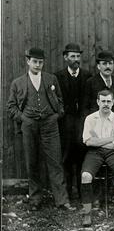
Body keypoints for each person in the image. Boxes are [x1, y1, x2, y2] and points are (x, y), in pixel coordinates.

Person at [7, 46, 75, 211]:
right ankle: (35, 199)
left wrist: (56, 115)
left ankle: (62, 200)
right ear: (28, 61)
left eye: (40, 62)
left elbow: (60, 101)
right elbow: (11, 107)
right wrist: (23, 119)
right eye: (35, 62)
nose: (38, 65)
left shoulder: (51, 79)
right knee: (32, 162)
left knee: (55, 162)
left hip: (50, 125)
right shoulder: (18, 83)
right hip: (29, 126)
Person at [80, 89, 114, 226]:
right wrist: (110, 139)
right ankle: (87, 213)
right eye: (103, 101)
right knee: (85, 176)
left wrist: (99, 141)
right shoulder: (90, 119)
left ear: (113, 103)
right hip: (94, 153)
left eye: (108, 101)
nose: (106, 104)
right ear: (98, 102)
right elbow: (88, 141)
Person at [54, 43, 92, 199]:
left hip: (83, 124)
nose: (76, 60)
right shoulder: (58, 77)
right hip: (66, 126)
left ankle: (83, 194)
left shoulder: (87, 75)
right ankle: (68, 193)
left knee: (82, 157)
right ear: (65, 58)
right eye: (72, 56)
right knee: (67, 159)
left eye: (78, 56)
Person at [81, 50, 114, 118]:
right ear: (98, 66)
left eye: (110, 63)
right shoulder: (90, 82)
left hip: (113, 122)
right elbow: (85, 107)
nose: (108, 66)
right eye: (104, 64)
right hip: (96, 121)